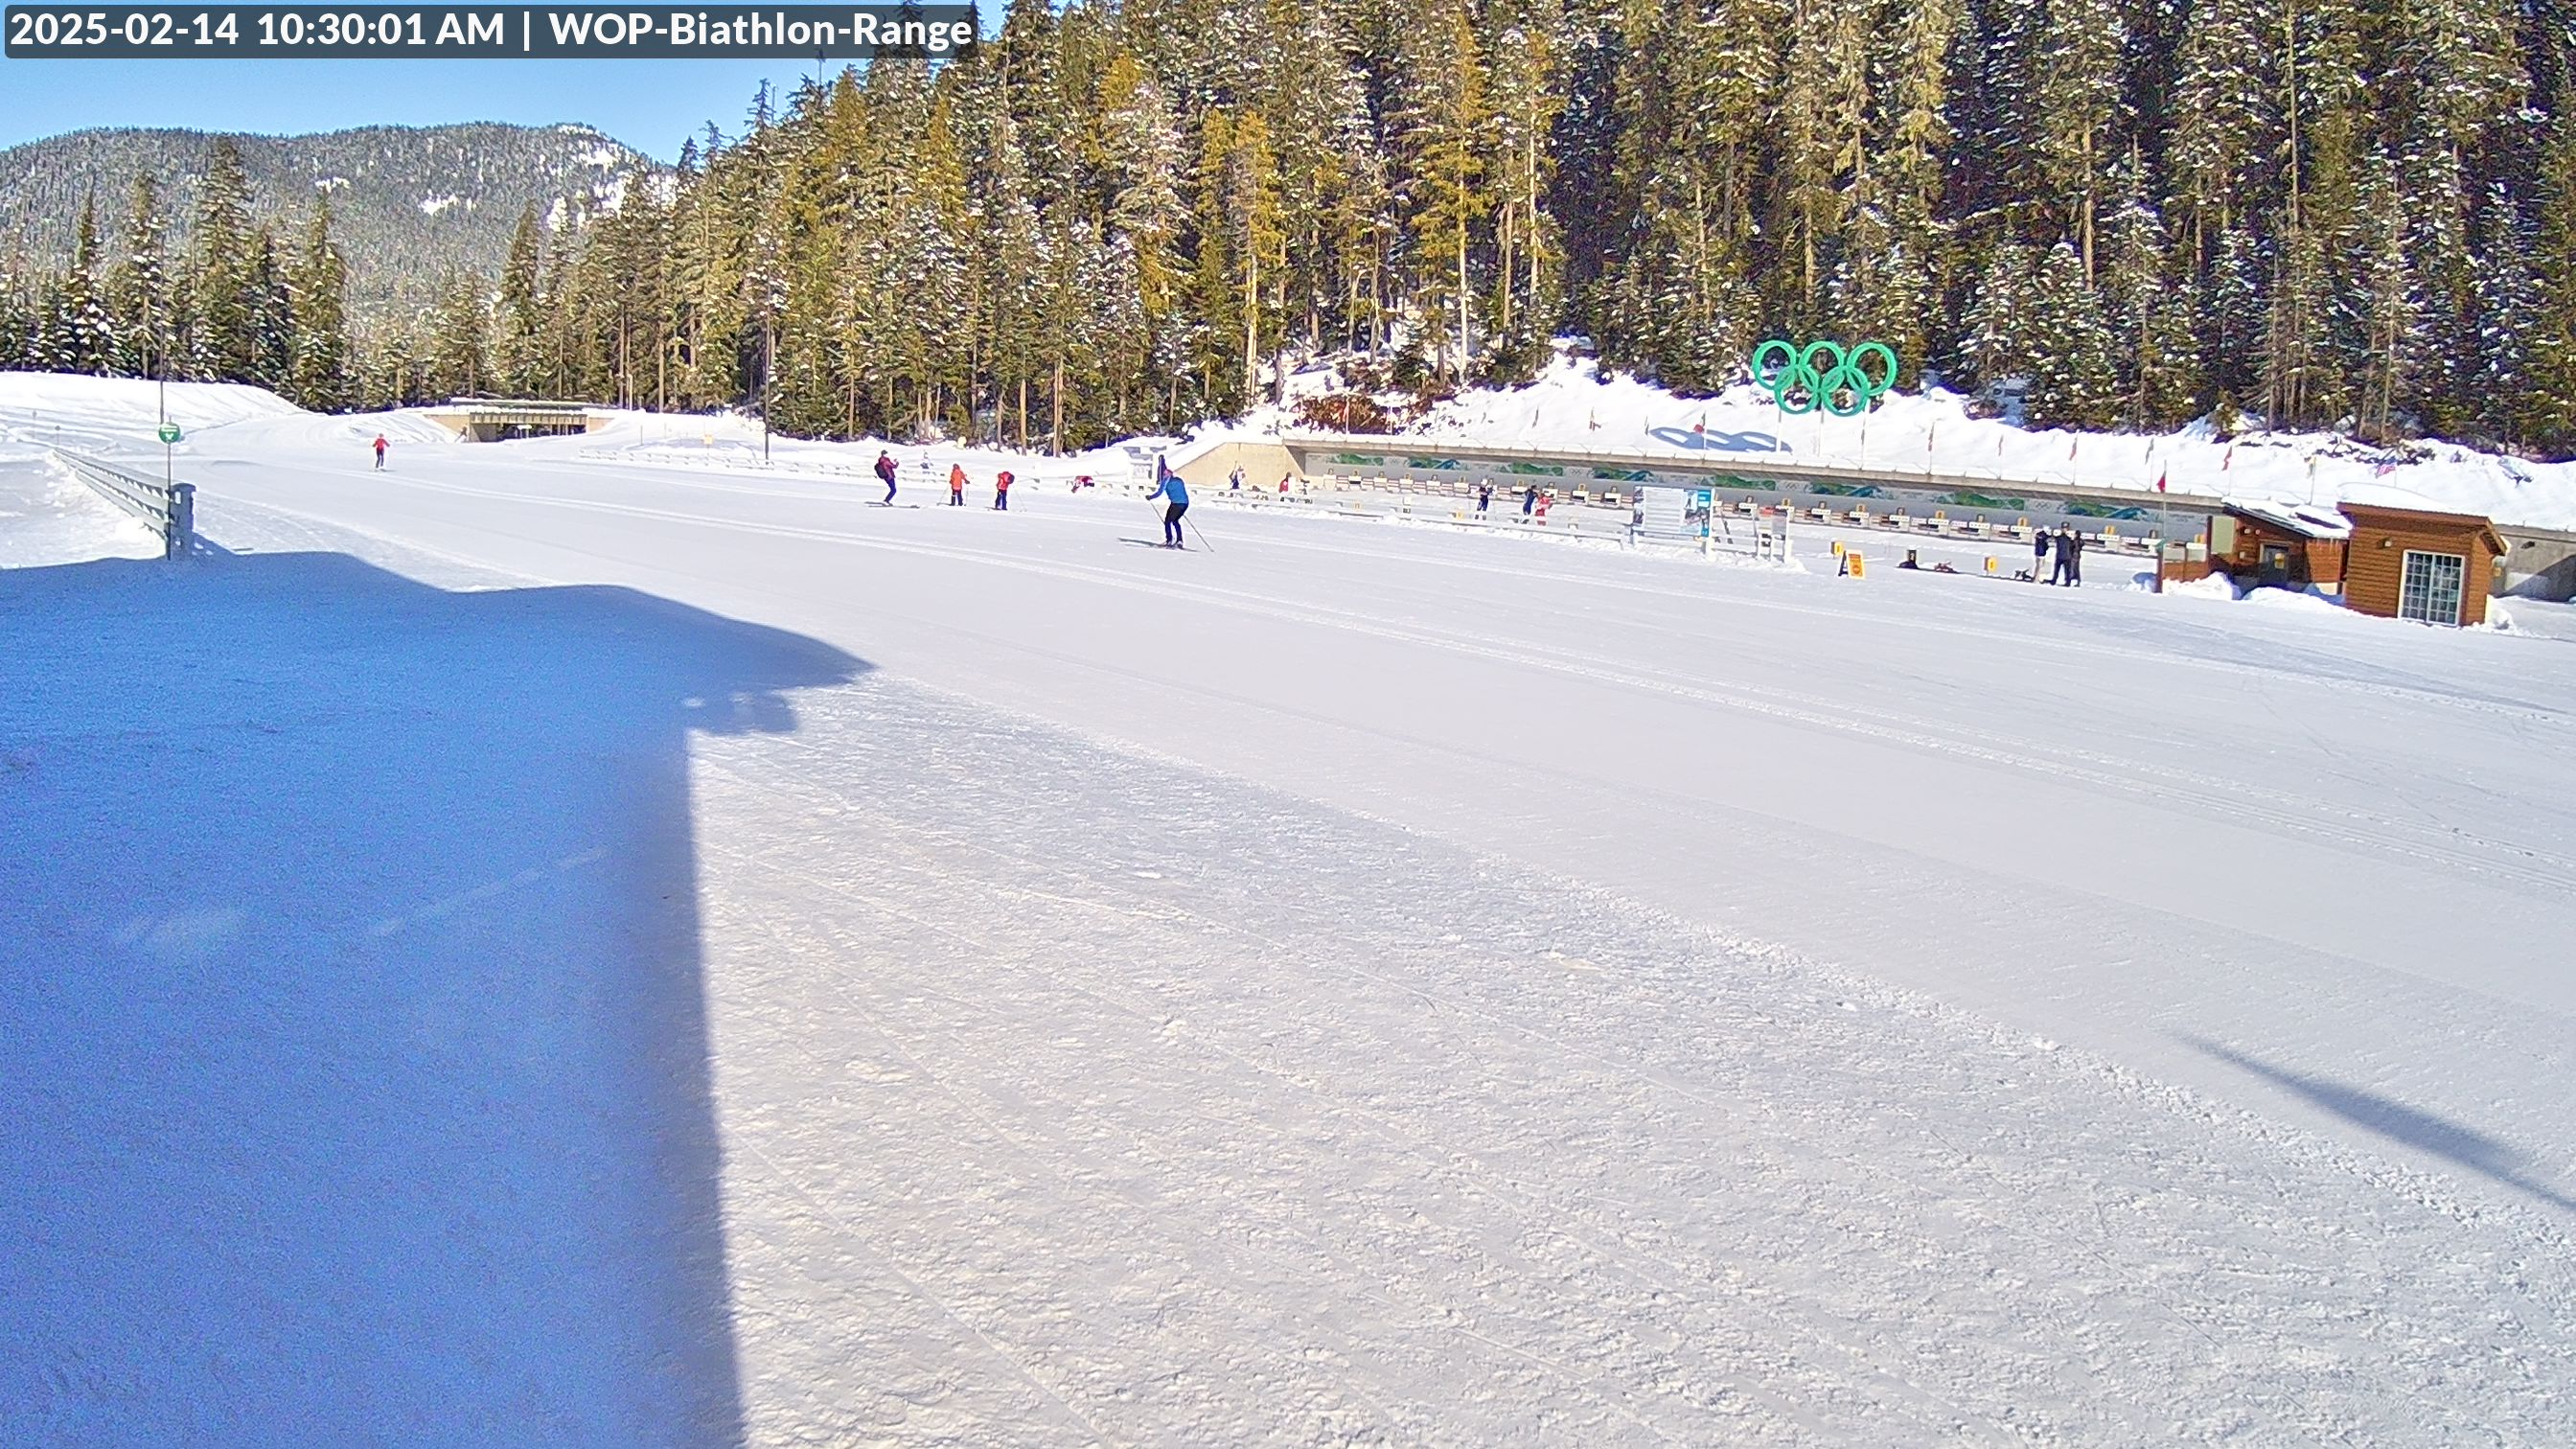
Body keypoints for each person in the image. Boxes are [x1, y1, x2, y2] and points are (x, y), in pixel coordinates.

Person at [1146, 458, 1189, 547]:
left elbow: (1159, 493)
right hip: (1185, 503)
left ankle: (1169, 539)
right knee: (1175, 521)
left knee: (1168, 521)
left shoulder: (1165, 482)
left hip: (1176, 504)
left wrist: (1150, 497)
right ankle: (1179, 540)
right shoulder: (1179, 480)